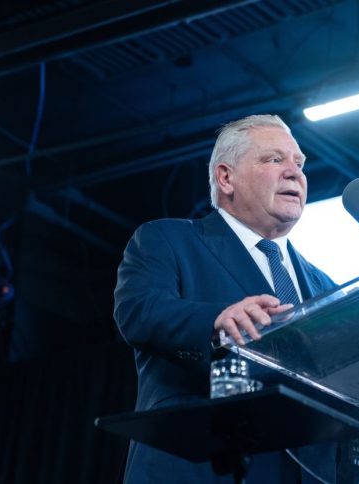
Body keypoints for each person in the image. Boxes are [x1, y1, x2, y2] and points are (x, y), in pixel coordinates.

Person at [114, 114, 337, 483]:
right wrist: (216, 320)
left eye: (299, 163)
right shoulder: (168, 240)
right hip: (203, 467)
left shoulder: (324, 284)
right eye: (274, 159)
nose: (294, 172)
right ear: (225, 177)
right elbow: (139, 312)